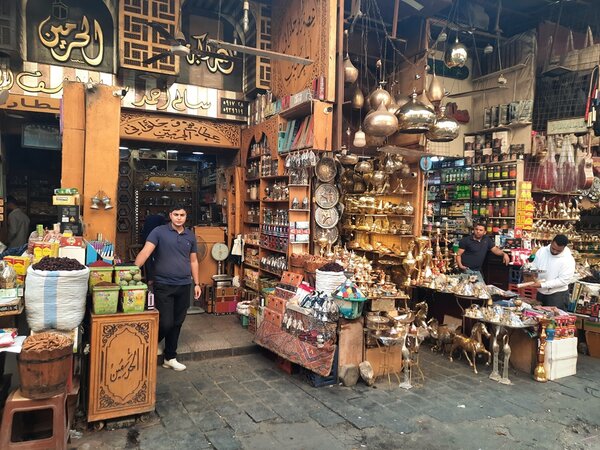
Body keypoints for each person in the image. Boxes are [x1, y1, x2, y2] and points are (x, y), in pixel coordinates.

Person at [135, 205, 201, 372]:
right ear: (170, 215)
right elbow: (145, 252)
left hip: (184, 284)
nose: (179, 217)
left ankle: (170, 357)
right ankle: (150, 343)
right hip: (163, 284)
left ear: (186, 216)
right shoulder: (159, 232)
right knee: (166, 322)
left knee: (178, 322)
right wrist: (132, 270)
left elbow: (193, 261)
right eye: (176, 214)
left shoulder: (190, 236)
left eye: (182, 215)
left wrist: (197, 283)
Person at [531, 234, 576, 310]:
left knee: (555, 316)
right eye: (553, 248)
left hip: (557, 295)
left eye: (558, 251)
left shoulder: (568, 259)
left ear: (564, 248)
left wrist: (543, 285)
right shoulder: (542, 251)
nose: (555, 252)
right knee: (538, 315)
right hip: (541, 292)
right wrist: (533, 274)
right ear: (551, 242)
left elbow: (563, 280)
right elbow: (534, 265)